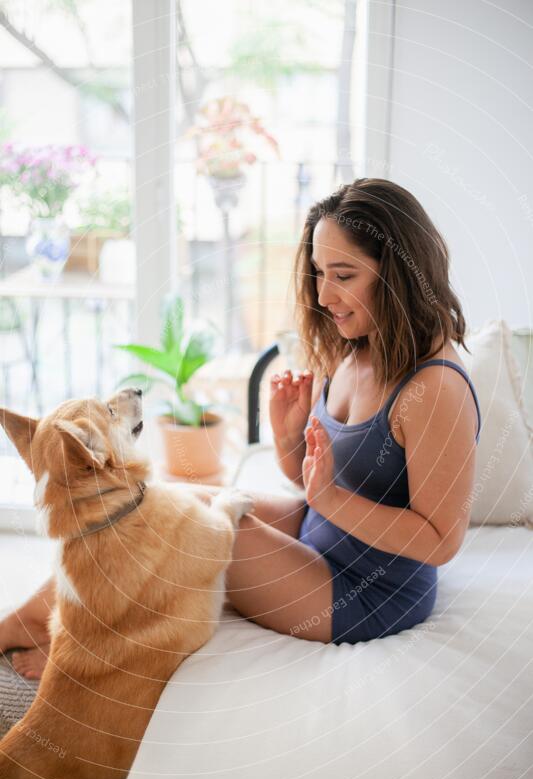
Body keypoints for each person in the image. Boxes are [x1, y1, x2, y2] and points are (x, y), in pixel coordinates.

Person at [0, 177, 481, 676]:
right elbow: (313, 485)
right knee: (169, 500)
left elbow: (441, 540)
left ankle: (80, 638)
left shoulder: (435, 389)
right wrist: (288, 437)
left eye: (344, 275)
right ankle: (28, 620)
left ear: (398, 273)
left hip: (367, 590)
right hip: (320, 531)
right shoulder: (353, 345)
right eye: (318, 272)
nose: (324, 294)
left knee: (191, 528)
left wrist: (332, 500)